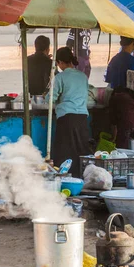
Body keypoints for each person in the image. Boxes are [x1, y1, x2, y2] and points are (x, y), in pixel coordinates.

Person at [46, 47, 90, 177]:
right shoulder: (83, 76)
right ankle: (82, 177)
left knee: (64, 152)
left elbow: (50, 99)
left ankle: (64, 178)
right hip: (82, 118)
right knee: (81, 151)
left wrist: (47, 96)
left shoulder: (60, 77)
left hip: (66, 118)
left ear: (60, 62)